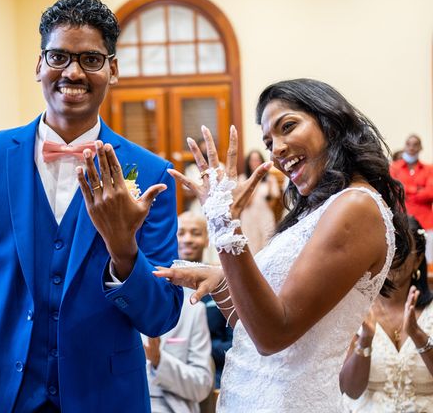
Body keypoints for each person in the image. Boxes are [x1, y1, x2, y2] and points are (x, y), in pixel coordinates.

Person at [0, 0, 183, 413]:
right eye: (59, 56)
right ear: (39, 65)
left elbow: (161, 316)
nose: (73, 72)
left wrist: (123, 250)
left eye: (91, 59)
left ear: (113, 69)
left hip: (105, 399)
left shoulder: (150, 175)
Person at [155, 78, 411, 411]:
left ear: (330, 121)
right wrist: (221, 281)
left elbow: (272, 336)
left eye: (287, 126)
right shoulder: (320, 211)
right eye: (268, 140)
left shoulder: (356, 207)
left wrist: (223, 224)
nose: (275, 149)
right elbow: (256, 327)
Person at [341, 216, 433, 411]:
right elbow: (351, 390)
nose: (392, 259)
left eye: (401, 250)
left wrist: (417, 336)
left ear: (417, 259)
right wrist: (365, 340)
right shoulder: (357, 310)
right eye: (387, 250)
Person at [177, 211, 233, 388]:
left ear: (207, 239)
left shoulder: (222, 285)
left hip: (215, 378)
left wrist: (199, 345)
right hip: (167, 374)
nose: (187, 239)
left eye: (196, 233)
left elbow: (234, 344)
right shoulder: (162, 285)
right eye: (181, 233)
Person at [390, 134, 433, 263]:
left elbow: (430, 193)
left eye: (415, 144)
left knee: (428, 262)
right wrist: (417, 189)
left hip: (426, 223)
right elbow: (395, 190)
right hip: (401, 222)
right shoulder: (394, 168)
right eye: (409, 144)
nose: (412, 148)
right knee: (401, 262)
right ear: (404, 147)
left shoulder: (429, 169)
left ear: (420, 147)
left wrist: (406, 189)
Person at [238, 150, 280, 254]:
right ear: (248, 163)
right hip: (249, 217)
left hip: (265, 216)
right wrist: (256, 182)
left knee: (267, 246)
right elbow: (246, 204)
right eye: (252, 160)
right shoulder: (243, 179)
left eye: (257, 160)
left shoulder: (270, 179)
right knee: (251, 246)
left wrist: (270, 189)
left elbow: (272, 205)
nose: (255, 163)